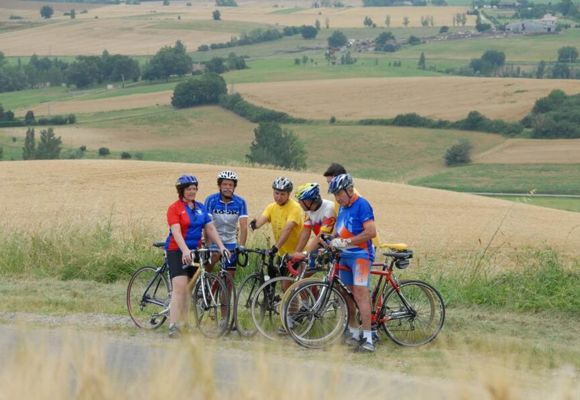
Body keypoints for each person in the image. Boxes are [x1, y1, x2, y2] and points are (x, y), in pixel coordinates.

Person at [164, 175, 230, 338]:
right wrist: (185, 250)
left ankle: (184, 323)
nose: (192, 192)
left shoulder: (200, 207)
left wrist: (221, 246)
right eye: (189, 189)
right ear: (182, 191)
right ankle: (173, 325)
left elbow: (210, 229)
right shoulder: (174, 208)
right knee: (179, 288)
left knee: (188, 290)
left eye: (194, 189)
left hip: (196, 251)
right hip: (177, 250)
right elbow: (176, 232)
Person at [328, 173, 377, 353]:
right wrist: (331, 239)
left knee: (360, 294)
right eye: (335, 195)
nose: (337, 198)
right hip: (344, 257)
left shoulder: (362, 205)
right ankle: (354, 332)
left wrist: (347, 242)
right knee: (346, 293)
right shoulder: (342, 207)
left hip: (361, 257)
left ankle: (369, 339)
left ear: (349, 190)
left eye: (339, 193)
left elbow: (371, 232)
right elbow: (340, 232)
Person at [323, 162, 381, 249]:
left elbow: (370, 232)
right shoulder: (342, 201)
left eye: (331, 182)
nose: (330, 186)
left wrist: (345, 242)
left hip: (363, 249)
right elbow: (340, 226)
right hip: (348, 250)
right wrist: (332, 239)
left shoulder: (357, 202)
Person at [204, 170, 248, 277]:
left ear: (234, 187)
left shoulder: (240, 202)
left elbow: (244, 226)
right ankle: (203, 284)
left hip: (230, 242)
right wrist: (208, 245)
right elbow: (206, 224)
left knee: (229, 276)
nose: (227, 187)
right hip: (213, 241)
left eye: (230, 185)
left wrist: (241, 245)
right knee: (213, 257)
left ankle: (224, 292)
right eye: (224, 184)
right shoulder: (211, 200)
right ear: (219, 186)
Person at [250, 176, 303, 261]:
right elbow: (260, 222)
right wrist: (254, 225)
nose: (279, 197)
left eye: (282, 194)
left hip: (295, 253)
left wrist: (276, 247)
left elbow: (288, 229)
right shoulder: (271, 207)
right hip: (281, 253)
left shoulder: (295, 208)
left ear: (288, 194)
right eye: (276, 193)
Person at [290, 182, 336, 265]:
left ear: (309, 200)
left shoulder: (329, 209)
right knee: (301, 268)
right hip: (323, 244)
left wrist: (305, 254)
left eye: (301, 200)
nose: (299, 203)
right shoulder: (308, 210)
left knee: (308, 268)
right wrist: (296, 254)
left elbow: (322, 235)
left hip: (334, 247)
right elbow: (305, 233)